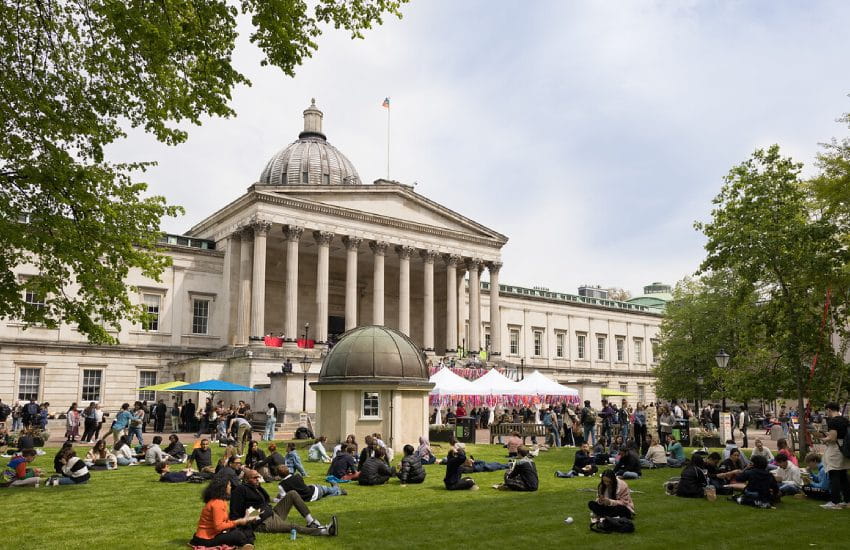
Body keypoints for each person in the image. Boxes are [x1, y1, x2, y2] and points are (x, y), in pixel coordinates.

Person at [230, 468, 338, 536]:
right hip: (262, 522)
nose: (257, 479)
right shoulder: (240, 490)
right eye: (254, 478)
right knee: (293, 527)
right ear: (246, 479)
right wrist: (256, 514)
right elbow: (235, 515)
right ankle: (325, 531)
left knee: (292, 493)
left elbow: (266, 500)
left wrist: (275, 501)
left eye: (258, 477)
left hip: (272, 512)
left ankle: (311, 522)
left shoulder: (257, 487)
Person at [190, 479, 256, 548]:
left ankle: (246, 544)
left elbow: (223, 522)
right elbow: (219, 527)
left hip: (209, 535)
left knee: (241, 530)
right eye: (229, 485)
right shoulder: (217, 503)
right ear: (223, 488)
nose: (230, 487)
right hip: (206, 539)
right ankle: (245, 544)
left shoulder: (220, 501)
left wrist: (243, 520)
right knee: (238, 535)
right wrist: (238, 522)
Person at [816, 402, 850, 509]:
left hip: (836, 449)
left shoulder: (833, 421)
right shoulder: (845, 420)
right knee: (843, 475)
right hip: (845, 448)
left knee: (834, 474)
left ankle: (835, 502)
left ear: (829, 410)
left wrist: (823, 439)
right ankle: (847, 500)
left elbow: (833, 438)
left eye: (826, 410)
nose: (826, 413)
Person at [277, 464, 346, 501]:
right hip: (314, 491)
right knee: (328, 490)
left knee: (325, 494)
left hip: (307, 499)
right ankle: (336, 488)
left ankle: (339, 492)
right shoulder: (298, 476)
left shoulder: (281, 485)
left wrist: (278, 496)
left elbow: (283, 499)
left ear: (279, 475)